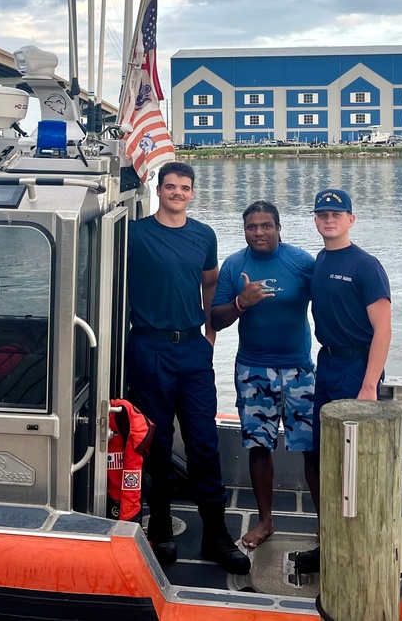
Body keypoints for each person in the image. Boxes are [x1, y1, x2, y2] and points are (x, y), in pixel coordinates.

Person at [126, 161, 250, 575]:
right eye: (170, 186)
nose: (177, 192)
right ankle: (160, 527)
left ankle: (217, 534)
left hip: (193, 348)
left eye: (185, 187)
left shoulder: (204, 235)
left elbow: (210, 282)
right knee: (157, 447)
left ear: (192, 193)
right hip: (149, 347)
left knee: (203, 444)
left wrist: (209, 332)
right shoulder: (135, 235)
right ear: (158, 191)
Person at [210, 201, 318, 550]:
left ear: (278, 227)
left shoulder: (301, 262)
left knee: (313, 450)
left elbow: (332, 302)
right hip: (253, 369)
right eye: (251, 227)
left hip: (300, 369)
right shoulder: (234, 265)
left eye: (266, 225)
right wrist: (242, 302)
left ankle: (325, 524)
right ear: (244, 231)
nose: (259, 232)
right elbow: (215, 320)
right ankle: (266, 521)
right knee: (259, 447)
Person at [296, 187, 392, 572]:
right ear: (316, 220)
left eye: (337, 214)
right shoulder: (318, 260)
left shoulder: (366, 266)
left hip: (357, 368)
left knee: (353, 463)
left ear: (351, 219)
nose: (329, 219)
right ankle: (329, 543)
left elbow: (383, 331)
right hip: (328, 364)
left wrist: (369, 387)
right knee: (323, 457)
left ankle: (358, 552)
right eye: (322, 213)